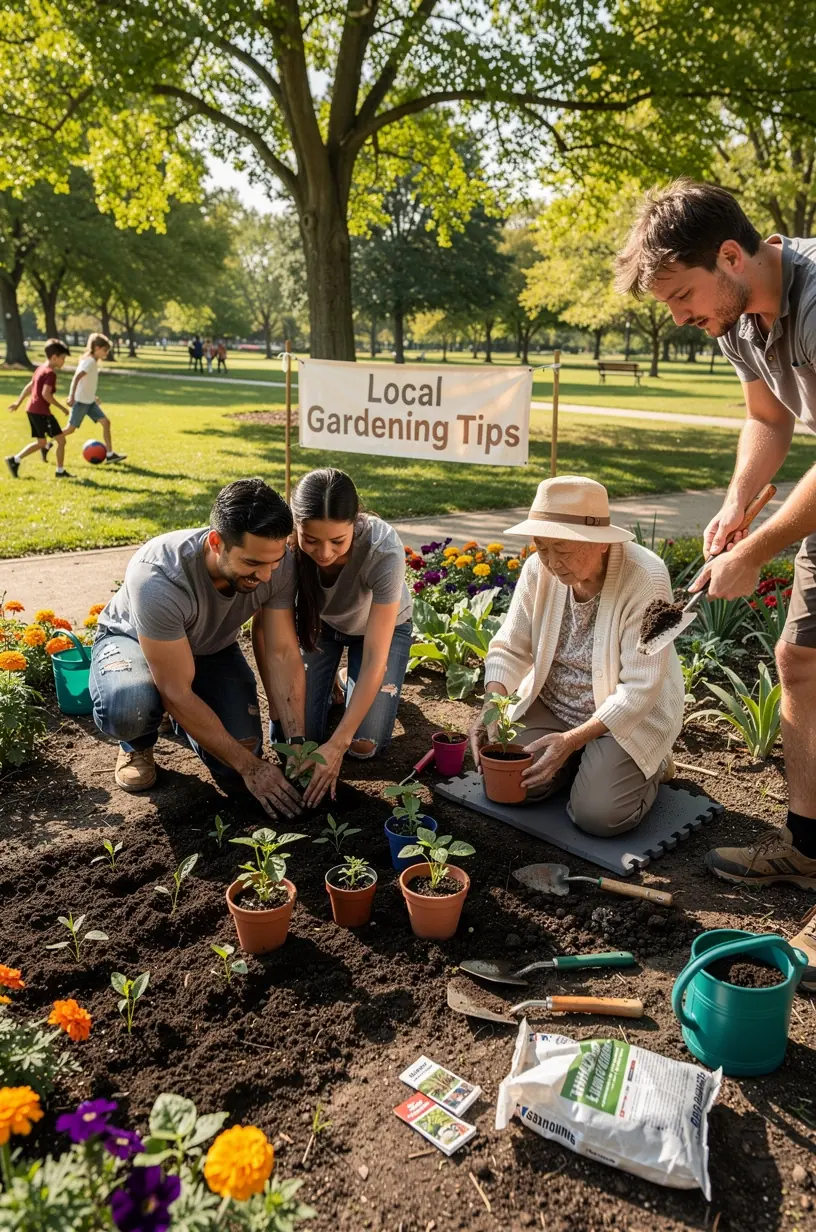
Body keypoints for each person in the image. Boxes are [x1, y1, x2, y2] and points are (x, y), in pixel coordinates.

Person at [616, 177, 816, 890]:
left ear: (731, 256)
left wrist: (757, 550)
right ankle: (806, 849)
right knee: (800, 663)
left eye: (680, 297)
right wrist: (738, 507)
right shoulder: (737, 322)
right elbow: (768, 419)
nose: (677, 317)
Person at [469, 476, 683, 836]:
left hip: (622, 720)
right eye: (541, 546)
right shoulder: (538, 569)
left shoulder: (647, 577)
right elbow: (509, 645)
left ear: (600, 543)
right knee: (509, 784)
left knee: (598, 816)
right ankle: (580, 764)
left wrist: (572, 741)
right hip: (555, 705)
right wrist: (492, 705)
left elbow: (641, 688)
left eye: (563, 548)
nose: (552, 562)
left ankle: (652, 764)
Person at [90, 478, 306, 818]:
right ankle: (138, 742)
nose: (266, 576)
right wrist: (252, 768)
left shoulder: (275, 564)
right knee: (130, 706)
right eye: (252, 564)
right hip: (132, 643)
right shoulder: (160, 577)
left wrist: (296, 742)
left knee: (238, 762)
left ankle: (177, 715)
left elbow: (281, 652)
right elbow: (176, 690)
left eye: (274, 563)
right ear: (216, 542)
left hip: (209, 647)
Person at [257, 468, 412, 807]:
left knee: (363, 745)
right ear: (296, 526)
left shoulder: (382, 549)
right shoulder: (280, 548)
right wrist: (279, 717)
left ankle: (346, 680)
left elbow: (375, 658)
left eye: (337, 541)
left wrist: (338, 743)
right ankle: (338, 685)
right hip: (323, 628)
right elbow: (268, 638)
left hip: (379, 633)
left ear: (354, 524)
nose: (324, 553)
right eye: (311, 540)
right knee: (296, 742)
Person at [6, 339, 71, 478]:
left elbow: (30, 386)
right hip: (41, 412)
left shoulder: (40, 368)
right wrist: (62, 408)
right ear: (54, 357)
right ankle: (60, 471)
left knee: (42, 442)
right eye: (63, 358)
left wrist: (18, 403)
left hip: (32, 410)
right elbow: (45, 394)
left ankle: (14, 460)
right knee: (61, 440)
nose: (64, 361)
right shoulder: (50, 373)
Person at [64, 333, 127, 465]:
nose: (106, 353)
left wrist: (92, 397)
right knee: (70, 429)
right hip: (80, 401)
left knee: (106, 422)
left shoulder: (91, 361)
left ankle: (110, 455)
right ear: (97, 348)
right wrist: (71, 396)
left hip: (89, 401)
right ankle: (46, 444)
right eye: (105, 350)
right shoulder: (89, 361)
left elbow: (86, 382)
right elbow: (77, 378)